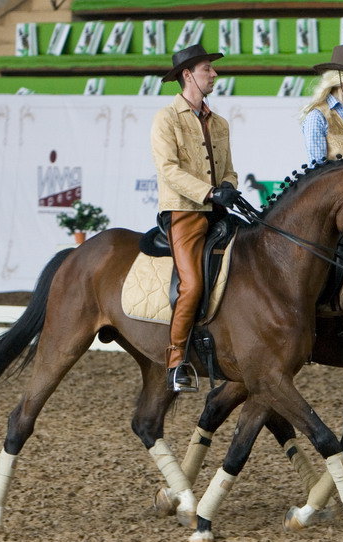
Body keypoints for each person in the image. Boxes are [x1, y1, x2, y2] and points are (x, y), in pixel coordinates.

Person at [151, 44, 239, 391]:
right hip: (184, 211)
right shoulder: (166, 118)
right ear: (188, 76)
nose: (214, 74)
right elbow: (168, 169)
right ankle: (176, 362)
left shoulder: (220, 123)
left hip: (218, 211)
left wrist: (228, 186)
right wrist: (209, 191)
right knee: (192, 285)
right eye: (207, 69)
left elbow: (229, 168)